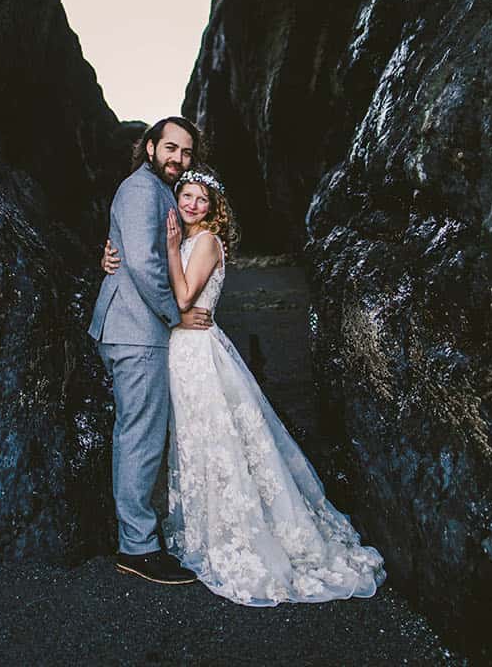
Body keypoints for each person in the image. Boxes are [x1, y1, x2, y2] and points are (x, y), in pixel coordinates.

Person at [102, 164, 385, 605]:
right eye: (186, 196)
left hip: (196, 353)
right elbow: (141, 265)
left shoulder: (207, 242)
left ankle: (233, 534)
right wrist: (113, 254)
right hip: (178, 349)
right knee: (188, 441)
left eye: (202, 199)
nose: (192, 204)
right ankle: (189, 526)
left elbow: (181, 299)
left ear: (214, 209)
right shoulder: (178, 237)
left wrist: (174, 245)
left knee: (214, 440)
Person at [86, 116, 209, 585]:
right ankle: (137, 548)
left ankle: (138, 535)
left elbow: (132, 249)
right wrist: (177, 314)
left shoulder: (157, 191)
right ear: (151, 147)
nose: (179, 158)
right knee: (139, 434)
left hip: (135, 327)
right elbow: (142, 262)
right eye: (171, 148)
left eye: (187, 152)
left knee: (140, 431)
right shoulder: (141, 189)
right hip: (136, 330)